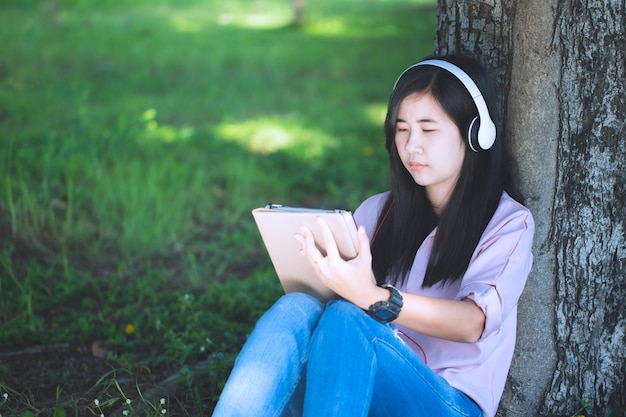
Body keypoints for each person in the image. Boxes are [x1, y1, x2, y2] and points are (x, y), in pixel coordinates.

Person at [211, 55, 535, 417]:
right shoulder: (378, 211)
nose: (412, 146)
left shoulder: (508, 222)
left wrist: (374, 298)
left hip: (445, 403)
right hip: (354, 386)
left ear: (475, 135)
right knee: (297, 307)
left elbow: (473, 322)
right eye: (402, 129)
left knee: (348, 319)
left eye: (429, 130)